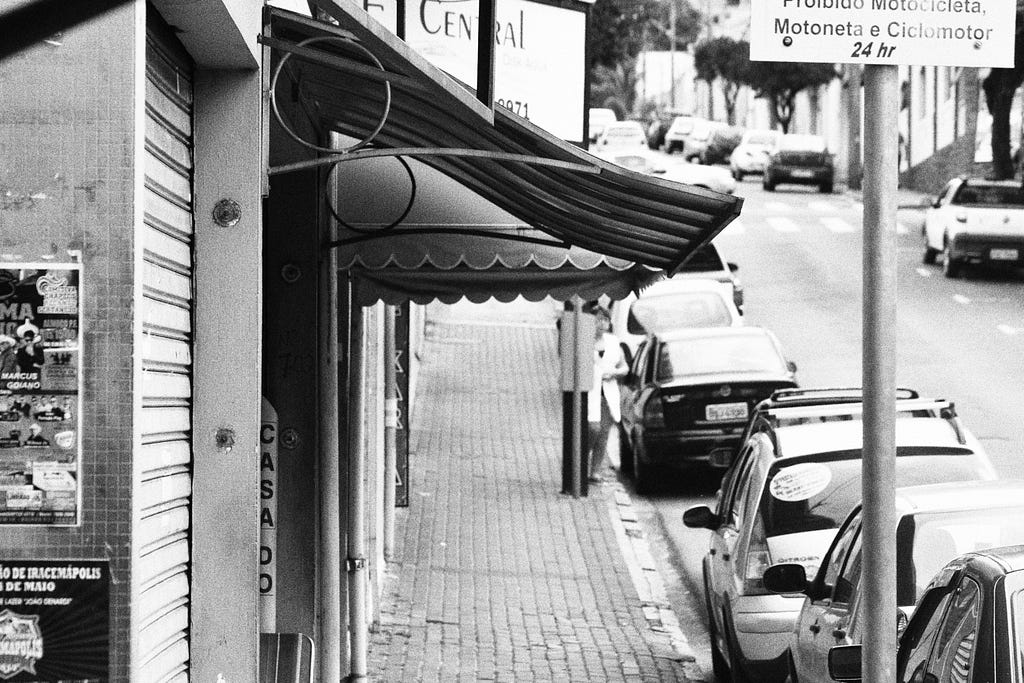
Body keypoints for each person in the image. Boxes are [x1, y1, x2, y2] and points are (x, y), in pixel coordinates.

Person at [588, 306, 628, 483]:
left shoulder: (612, 341)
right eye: (598, 319)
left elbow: (624, 367)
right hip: (590, 391)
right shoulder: (584, 341)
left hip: (608, 392)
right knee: (593, 428)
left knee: (603, 433)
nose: (602, 323)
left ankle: (594, 470)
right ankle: (581, 459)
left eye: (605, 319)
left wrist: (615, 373)